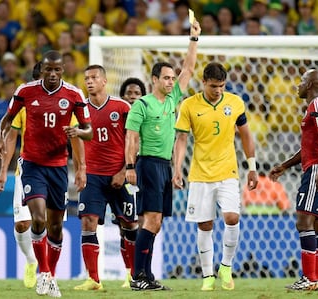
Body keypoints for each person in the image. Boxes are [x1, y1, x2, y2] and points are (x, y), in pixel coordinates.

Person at [0, 50, 93, 298]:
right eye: (48, 69)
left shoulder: (74, 94)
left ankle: (50, 274)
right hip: (32, 165)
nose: (52, 74)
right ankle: (45, 274)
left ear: (63, 70)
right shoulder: (26, 91)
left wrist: (78, 134)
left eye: (56, 70)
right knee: (37, 218)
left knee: (56, 226)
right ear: (43, 69)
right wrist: (0, 139)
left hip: (58, 167)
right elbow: (7, 119)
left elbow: (89, 130)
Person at [125, 19, 201, 291]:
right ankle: (138, 277)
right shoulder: (141, 105)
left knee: (154, 224)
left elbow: (189, 68)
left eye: (172, 78)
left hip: (164, 166)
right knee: (151, 220)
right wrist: (130, 166)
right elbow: (131, 137)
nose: (171, 82)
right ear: (154, 80)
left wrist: (193, 40)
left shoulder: (172, 100)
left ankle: (145, 275)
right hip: (146, 164)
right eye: (166, 78)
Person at [172, 62, 258, 291]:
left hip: (228, 171)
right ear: (203, 83)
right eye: (213, 86)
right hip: (200, 173)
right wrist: (177, 169)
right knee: (205, 224)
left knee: (232, 218)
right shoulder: (189, 105)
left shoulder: (235, 102)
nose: (218, 90)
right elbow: (181, 139)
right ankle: (207, 275)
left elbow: (247, 135)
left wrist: (252, 167)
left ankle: (226, 267)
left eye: (221, 85)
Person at [269, 69, 318, 291]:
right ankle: (315, 280)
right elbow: (307, 148)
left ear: (310, 85)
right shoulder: (316, 107)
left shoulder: (317, 104)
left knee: (303, 222)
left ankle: (309, 278)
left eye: (301, 81)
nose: (297, 85)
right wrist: (284, 166)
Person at [73, 65, 139, 291]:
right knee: (87, 223)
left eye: (94, 77)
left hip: (119, 174)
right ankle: (94, 280)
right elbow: (77, 142)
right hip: (92, 176)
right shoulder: (80, 110)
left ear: (104, 81)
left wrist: (124, 170)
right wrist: (80, 169)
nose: (89, 82)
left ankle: (132, 275)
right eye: (86, 78)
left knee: (129, 224)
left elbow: (134, 140)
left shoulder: (122, 107)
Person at [0, 63, 41, 289]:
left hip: (57, 168)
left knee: (50, 225)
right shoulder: (25, 104)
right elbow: (12, 137)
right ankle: (31, 261)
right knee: (23, 224)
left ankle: (48, 272)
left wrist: (81, 168)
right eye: (43, 75)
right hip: (28, 168)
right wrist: (3, 172)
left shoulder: (67, 101)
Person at [117, 76, 147, 288]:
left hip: (143, 174)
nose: (134, 97)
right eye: (130, 94)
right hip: (122, 175)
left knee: (140, 224)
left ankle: (141, 270)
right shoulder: (117, 119)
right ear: (122, 97)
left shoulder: (149, 118)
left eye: (137, 94)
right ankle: (130, 273)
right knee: (124, 226)